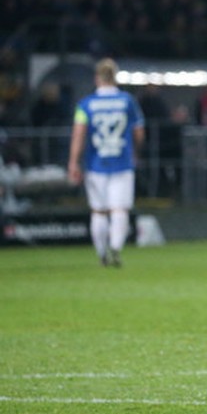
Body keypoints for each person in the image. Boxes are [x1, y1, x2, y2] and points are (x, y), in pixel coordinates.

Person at [67, 58, 145, 266]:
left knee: (99, 211)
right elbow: (139, 132)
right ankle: (116, 247)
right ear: (115, 77)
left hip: (95, 165)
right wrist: (135, 152)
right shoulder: (128, 101)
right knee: (119, 210)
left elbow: (78, 135)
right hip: (122, 162)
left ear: (97, 78)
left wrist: (73, 162)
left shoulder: (85, 104)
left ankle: (101, 253)